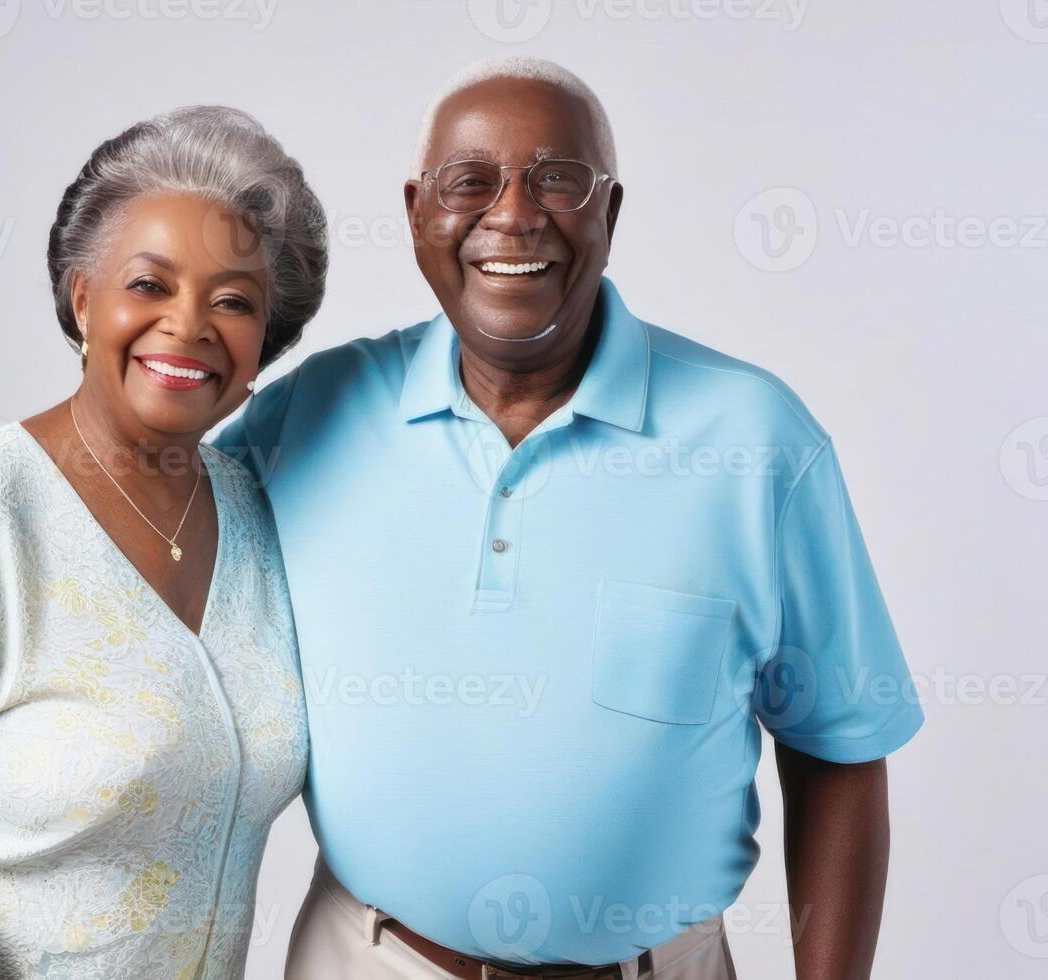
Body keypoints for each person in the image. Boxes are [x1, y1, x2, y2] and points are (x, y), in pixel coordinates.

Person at [216, 57, 924, 979]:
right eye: (469, 182)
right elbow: (155, 563)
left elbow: (837, 750)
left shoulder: (757, 442)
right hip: (370, 959)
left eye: (558, 179)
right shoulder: (307, 415)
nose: (513, 215)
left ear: (610, 213)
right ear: (416, 212)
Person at [0, 105, 328, 979]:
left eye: (232, 300)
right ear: (84, 299)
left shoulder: (255, 513)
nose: (188, 324)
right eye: (149, 284)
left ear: (265, 337)